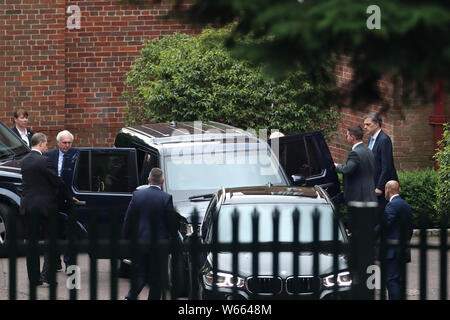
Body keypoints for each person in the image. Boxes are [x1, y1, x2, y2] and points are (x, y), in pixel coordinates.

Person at [20, 133, 72, 286]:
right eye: (46, 144)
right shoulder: (45, 161)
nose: (47, 147)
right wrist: (69, 197)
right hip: (45, 207)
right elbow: (57, 182)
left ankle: (34, 279)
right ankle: (47, 275)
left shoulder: (24, 161)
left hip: (28, 206)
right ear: (41, 144)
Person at [121, 168, 176, 300]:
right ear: (162, 181)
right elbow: (171, 223)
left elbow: (128, 220)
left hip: (141, 242)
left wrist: (125, 239)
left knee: (141, 274)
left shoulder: (137, 195)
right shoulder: (166, 198)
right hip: (159, 245)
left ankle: (129, 297)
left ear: (148, 180)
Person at [45, 130, 78, 271]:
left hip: (71, 198)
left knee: (70, 232)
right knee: (54, 230)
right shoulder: (49, 155)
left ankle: (69, 262)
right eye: (64, 142)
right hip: (54, 198)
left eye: (69, 142)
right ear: (58, 143)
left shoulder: (77, 155)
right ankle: (55, 260)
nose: (67, 145)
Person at [375, 180, 413, 300]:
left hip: (392, 252)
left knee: (391, 281)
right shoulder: (406, 205)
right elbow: (410, 229)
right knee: (398, 281)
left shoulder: (392, 205)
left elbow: (384, 225)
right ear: (398, 190)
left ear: (387, 190)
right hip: (403, 249)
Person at [363, 113, 398, 219]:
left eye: (368, 124)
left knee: (379, 216)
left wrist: (379, 187)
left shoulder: (384, 140)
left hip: (381, 188)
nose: (365, 127)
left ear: (377, 124)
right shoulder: (371, 139)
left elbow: (386, 166)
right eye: (364, 125)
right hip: (372, 184)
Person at [334, 125, 377, 204]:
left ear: (352, 137)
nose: (346, 138)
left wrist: (336, 166)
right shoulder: (369, 151)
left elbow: (347, 170)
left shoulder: (355, 153)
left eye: (347, 135)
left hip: (358, 197)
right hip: (370, 195)